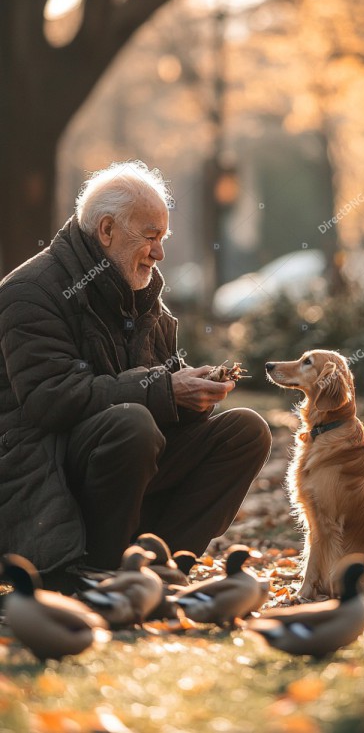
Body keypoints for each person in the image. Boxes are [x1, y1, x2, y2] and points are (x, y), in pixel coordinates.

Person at [0, 161, 271, 589]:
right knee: (132, 423)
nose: (159, 253)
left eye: (162, 238)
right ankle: (101, 573)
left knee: (246, 430)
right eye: (150, 237)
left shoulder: (143, 293)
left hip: (120, 458)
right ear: (106, 230)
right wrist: (165, 389)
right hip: (47, 474)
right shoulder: (29, 292)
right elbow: (51, 399)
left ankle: (158, 573)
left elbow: (162, 401)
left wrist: (193, 392)